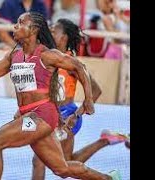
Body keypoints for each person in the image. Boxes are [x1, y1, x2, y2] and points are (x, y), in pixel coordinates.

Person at [0, 11, 121, 180]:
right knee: (62, 169)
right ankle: (108, 178)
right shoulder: (14, 55)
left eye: (20, 23)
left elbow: (79, 67)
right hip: (29, 115)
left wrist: (88, 100)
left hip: (41, 115)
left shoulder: (46, 55)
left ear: (34, 29)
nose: (15, 26)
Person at [31, 18, 128, 180]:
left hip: (67, 115)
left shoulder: (71, 63)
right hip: (51, 115)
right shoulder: (49, 57)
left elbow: (95, 91)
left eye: (54, 31)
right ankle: (104, 145)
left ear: (64, 38)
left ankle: (108, 175)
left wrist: (77, 114)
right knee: (65, 165)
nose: (50, 33)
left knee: (40, 160)